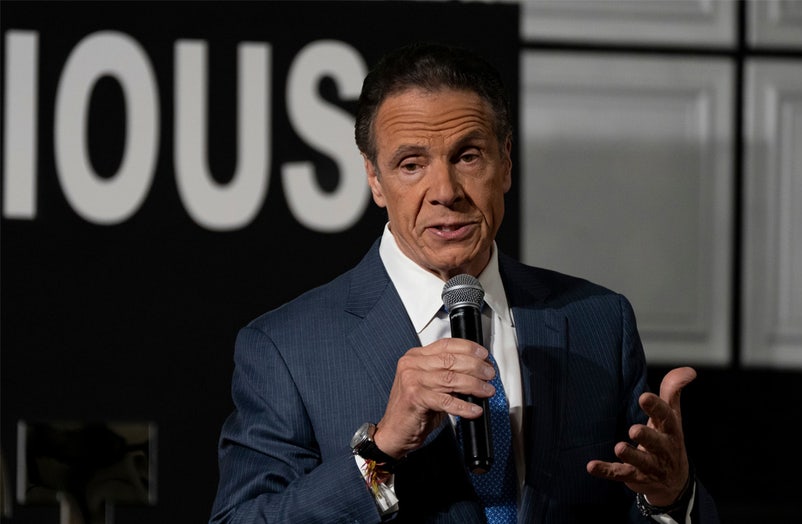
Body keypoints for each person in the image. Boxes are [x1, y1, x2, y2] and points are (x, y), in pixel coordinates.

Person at [209, 42, 719, 524]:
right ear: (373, 179)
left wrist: (671, 498)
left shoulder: (598, 321)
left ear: (506, 162)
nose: (445, 192)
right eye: (411, 165)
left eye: (468, 156)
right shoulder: (285, 348)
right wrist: (379, 452)